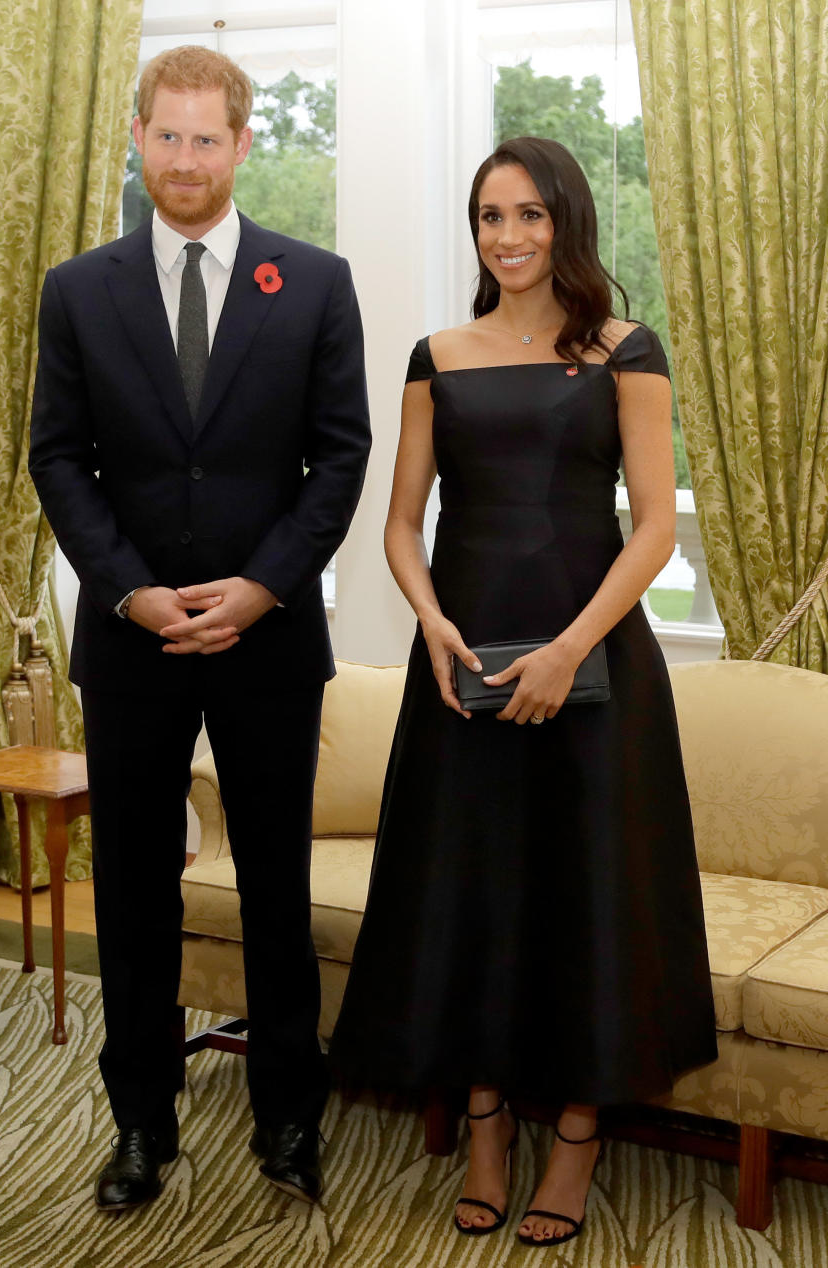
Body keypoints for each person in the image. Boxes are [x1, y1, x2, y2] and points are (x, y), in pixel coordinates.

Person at [329, 136, 716, 1247]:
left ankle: (579, 1137)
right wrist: (436, 625)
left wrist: (564, 649)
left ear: (567, 223)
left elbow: (650, 528)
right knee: (476, 895)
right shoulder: (436, 353)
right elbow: (403, 523)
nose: (509, 236)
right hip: (464, 671)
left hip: (595, 668)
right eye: (491, 216)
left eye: (531, 215)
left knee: (585, 898)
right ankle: (488, 1124)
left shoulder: (623, 350)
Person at [29, 45, 370, 1211]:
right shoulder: (77, 289)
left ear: (241, 142)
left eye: (206, 137)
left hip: (269, 640)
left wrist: (262, 586)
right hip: (130, 642)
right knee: (134, 892)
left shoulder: (314, 282)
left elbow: (342, 459)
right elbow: (57, 461)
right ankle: (140, 1124)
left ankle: (287, 1117)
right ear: (137, 136)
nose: (185, 159)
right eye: (165, 136)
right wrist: (127, 589)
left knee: (275, 884)